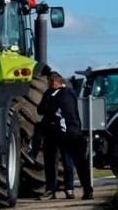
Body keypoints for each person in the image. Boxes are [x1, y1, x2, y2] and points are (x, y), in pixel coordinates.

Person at [38, 71, 94, 200]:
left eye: (51, 82)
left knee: (63, 161)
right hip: (68, 131)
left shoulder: (58, 95)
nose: (50, 84)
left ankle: (62, 188)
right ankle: (73, 189)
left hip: (64, 131)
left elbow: (45, 111)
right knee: (67, 162)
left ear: (55, 82)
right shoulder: (68, 93)